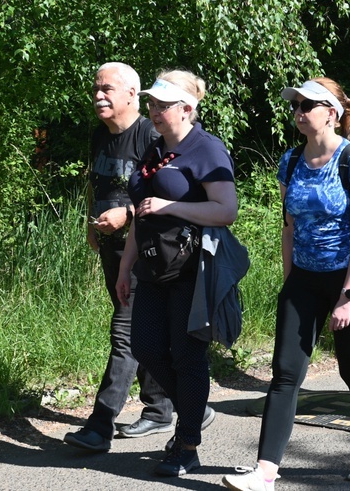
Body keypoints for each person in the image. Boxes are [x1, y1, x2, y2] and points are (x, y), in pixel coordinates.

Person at [222, 77, 350, 490]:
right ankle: (266, 472)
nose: (299, 112)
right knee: (285, 373)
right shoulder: (289, 160)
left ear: (332, 113)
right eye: (296, 106)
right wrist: (290, 284)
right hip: (304, 278)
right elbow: (288, 228)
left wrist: (348, 295)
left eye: (308, 105)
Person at [115, 69, 238, 476]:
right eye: (151, 103)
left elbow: (226, 210)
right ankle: (193, 410)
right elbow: (139, 213)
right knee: (146, 348)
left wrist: (171, 207)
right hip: (151, 268)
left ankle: (187, 442)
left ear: (187, 109)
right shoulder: (154, 149)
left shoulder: (207, 149)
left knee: (187, 357)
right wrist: (125, 264)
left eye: (162, 104)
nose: (153, 109)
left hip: (191, 271)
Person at [63, 62, 174, 452]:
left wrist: (126, 214)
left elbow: (166, 194)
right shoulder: (100, 136)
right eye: (95, 89)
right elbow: (100, 184)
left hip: (145, 250)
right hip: (111, 249)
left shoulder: (150, 137)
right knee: (141, 331)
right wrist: (90, 223)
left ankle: (99, 426)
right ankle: (166, 406)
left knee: (124, 334)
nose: (98, 96)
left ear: (132, 94)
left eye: (107, 89)